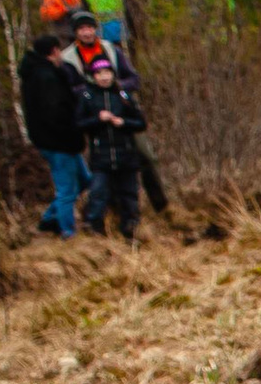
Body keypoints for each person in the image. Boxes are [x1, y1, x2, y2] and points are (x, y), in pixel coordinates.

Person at [57, 13, 165, 212]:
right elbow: (67, 89)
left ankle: (161, 205)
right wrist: (92, 92)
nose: (87, 32)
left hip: (123, 114)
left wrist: (114, 86)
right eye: (82, 29)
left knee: (146, 157)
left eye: (90, 27)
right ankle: (112, 211)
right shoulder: (68, 58)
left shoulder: (111, 50)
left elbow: (134, 79)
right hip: (95, 120)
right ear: (75, 32)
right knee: (103, 168)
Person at [19, 32, 87, 236]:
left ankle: (49, 219)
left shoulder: (37, 73)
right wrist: (72, 128)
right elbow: (55, 112)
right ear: (54, 51)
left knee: (84, 180)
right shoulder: (46, 77)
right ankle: (68, 232)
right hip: (58, 141)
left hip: (60, 140)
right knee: (66, 189)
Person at [77, 56, 145, 238]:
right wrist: (97, 119)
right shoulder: (87, 97)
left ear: (113, 74)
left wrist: (123, 122)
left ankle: (131, 229)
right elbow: (79, 124)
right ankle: (94, 229)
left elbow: (141, 123)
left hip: (126, 154)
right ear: (94, 76)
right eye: (99, 73)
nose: (104, 77)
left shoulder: (123, 96)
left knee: (129, 194)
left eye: (107, 72)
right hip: (101, 156)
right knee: (97, 192)